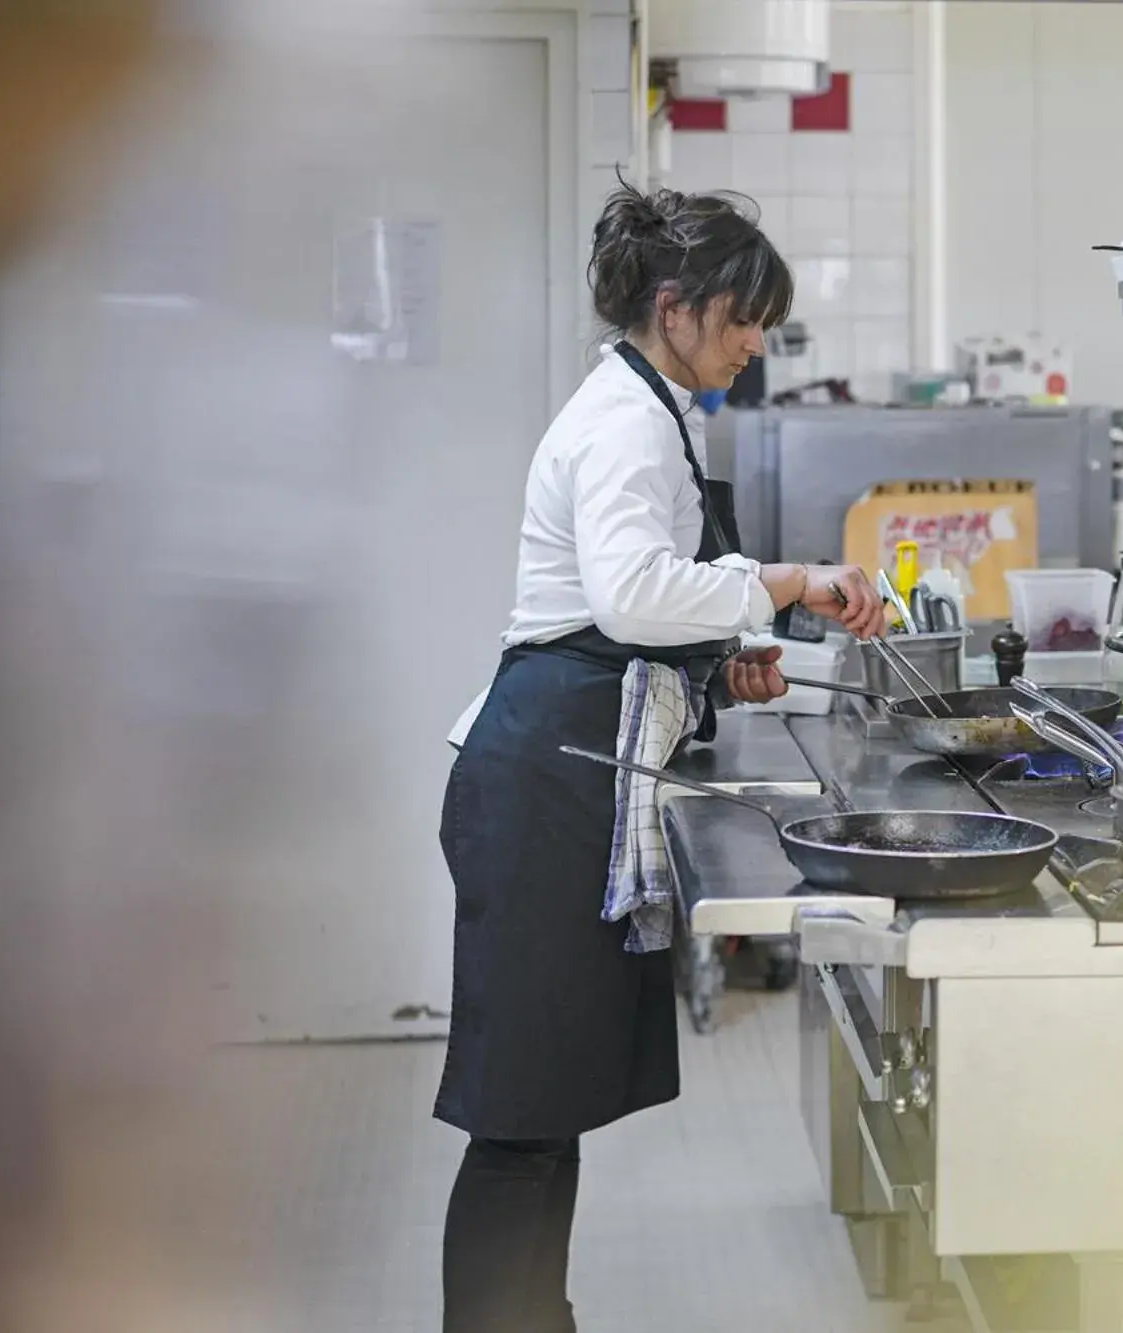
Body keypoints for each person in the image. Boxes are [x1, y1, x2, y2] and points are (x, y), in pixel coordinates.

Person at [435, 182, 886, 1333]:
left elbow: (642, 600)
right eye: (742, 320)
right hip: (545, 772)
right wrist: (784, 584)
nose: (753, 345)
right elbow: (631, 595)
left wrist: (726, 648)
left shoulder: (656, 406)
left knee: (547, 1112)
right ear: (676, 307)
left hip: (573, 752)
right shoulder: (625, 421)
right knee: (520, 1119)